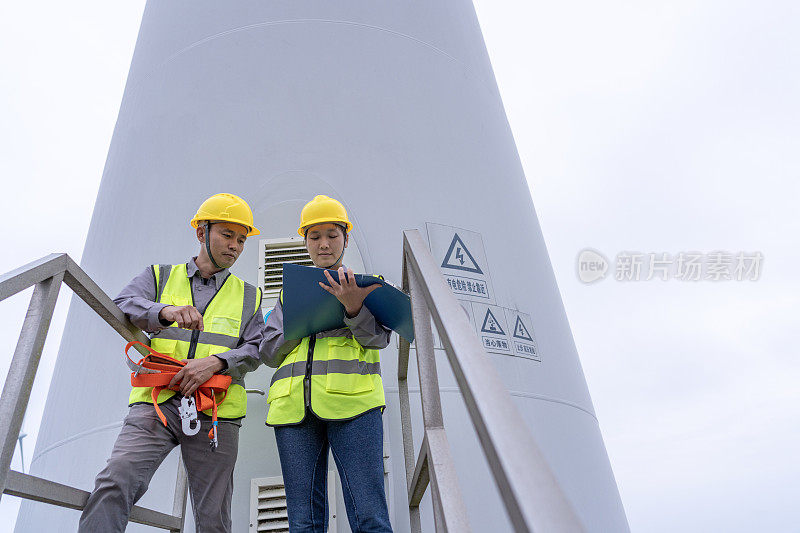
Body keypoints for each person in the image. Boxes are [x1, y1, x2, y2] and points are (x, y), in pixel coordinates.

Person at [79, 193, 264, 533]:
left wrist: (218, 362)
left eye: (241, 239)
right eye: (227, 234)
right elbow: (124, 301)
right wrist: (165, 312)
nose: (235, 246)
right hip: (156, 403)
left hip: (216, 411)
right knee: (115, 481)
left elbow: (256, 348)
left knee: (213, 520)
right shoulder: (159, 276)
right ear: (201, 233)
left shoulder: (250, 295)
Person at [260, 195, 393, 533]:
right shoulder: (288, 295)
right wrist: (305, 321)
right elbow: (269, 352)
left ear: (346, 239)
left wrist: (353, 309)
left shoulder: (367, 286)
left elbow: (378, 339)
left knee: (370, 517)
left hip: (354, 406)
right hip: (293, 411)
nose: (323, 244)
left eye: (332, 235)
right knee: (303, 524)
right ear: (304, 241)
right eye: (314, 236)